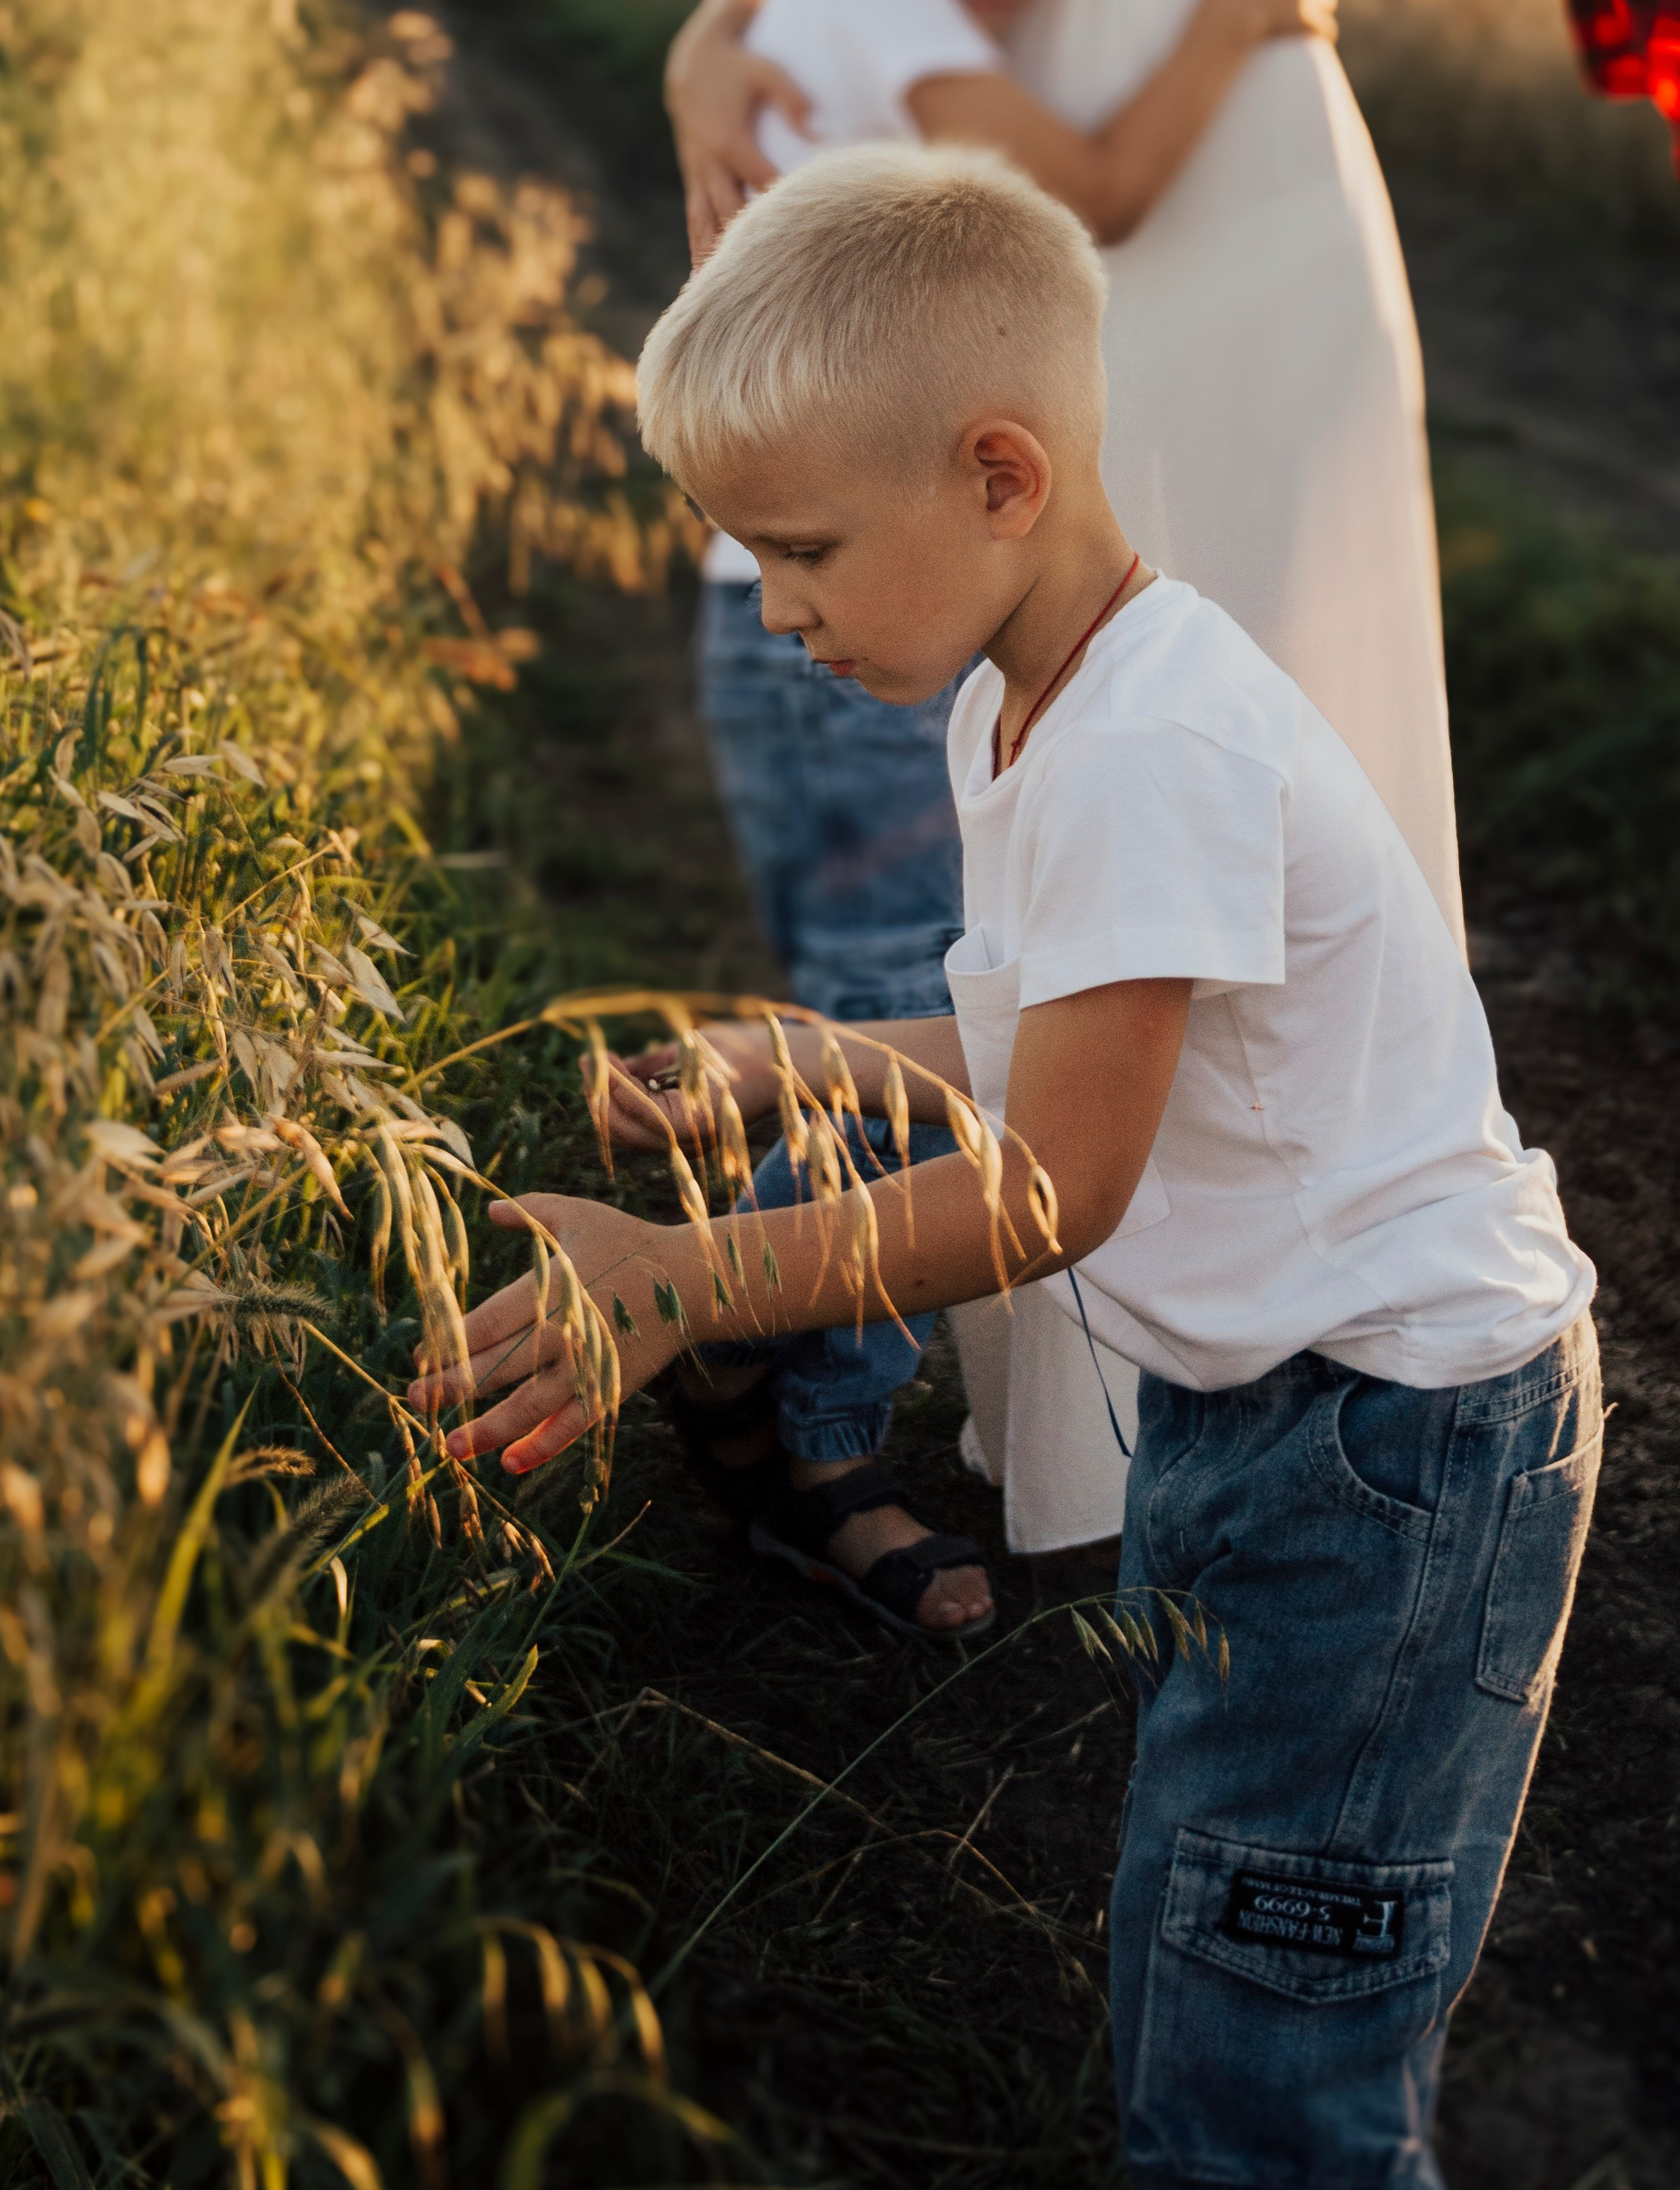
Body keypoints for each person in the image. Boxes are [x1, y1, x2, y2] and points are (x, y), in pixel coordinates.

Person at [412, 146, 1600, 2184]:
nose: (773, 610)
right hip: (1286, 1416)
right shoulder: (1031, 699)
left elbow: (1050, 1193)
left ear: (996, 472)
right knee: (1207, 1936)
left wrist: (681, 1279)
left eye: (795, 552)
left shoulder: (1147, 748)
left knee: (1273, 2086)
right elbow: (1038, 1045)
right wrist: (803, 1069)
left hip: (1395, 1454)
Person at [664, 0, 1466, 1572]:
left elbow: (1049, 1165)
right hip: (901, 551)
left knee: (953, 977)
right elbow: (1092, 189)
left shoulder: (1102, 710)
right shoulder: (890, 26)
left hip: (924, 551)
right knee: (927, 976)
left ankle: (767, 1354)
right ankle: (796, 1398)